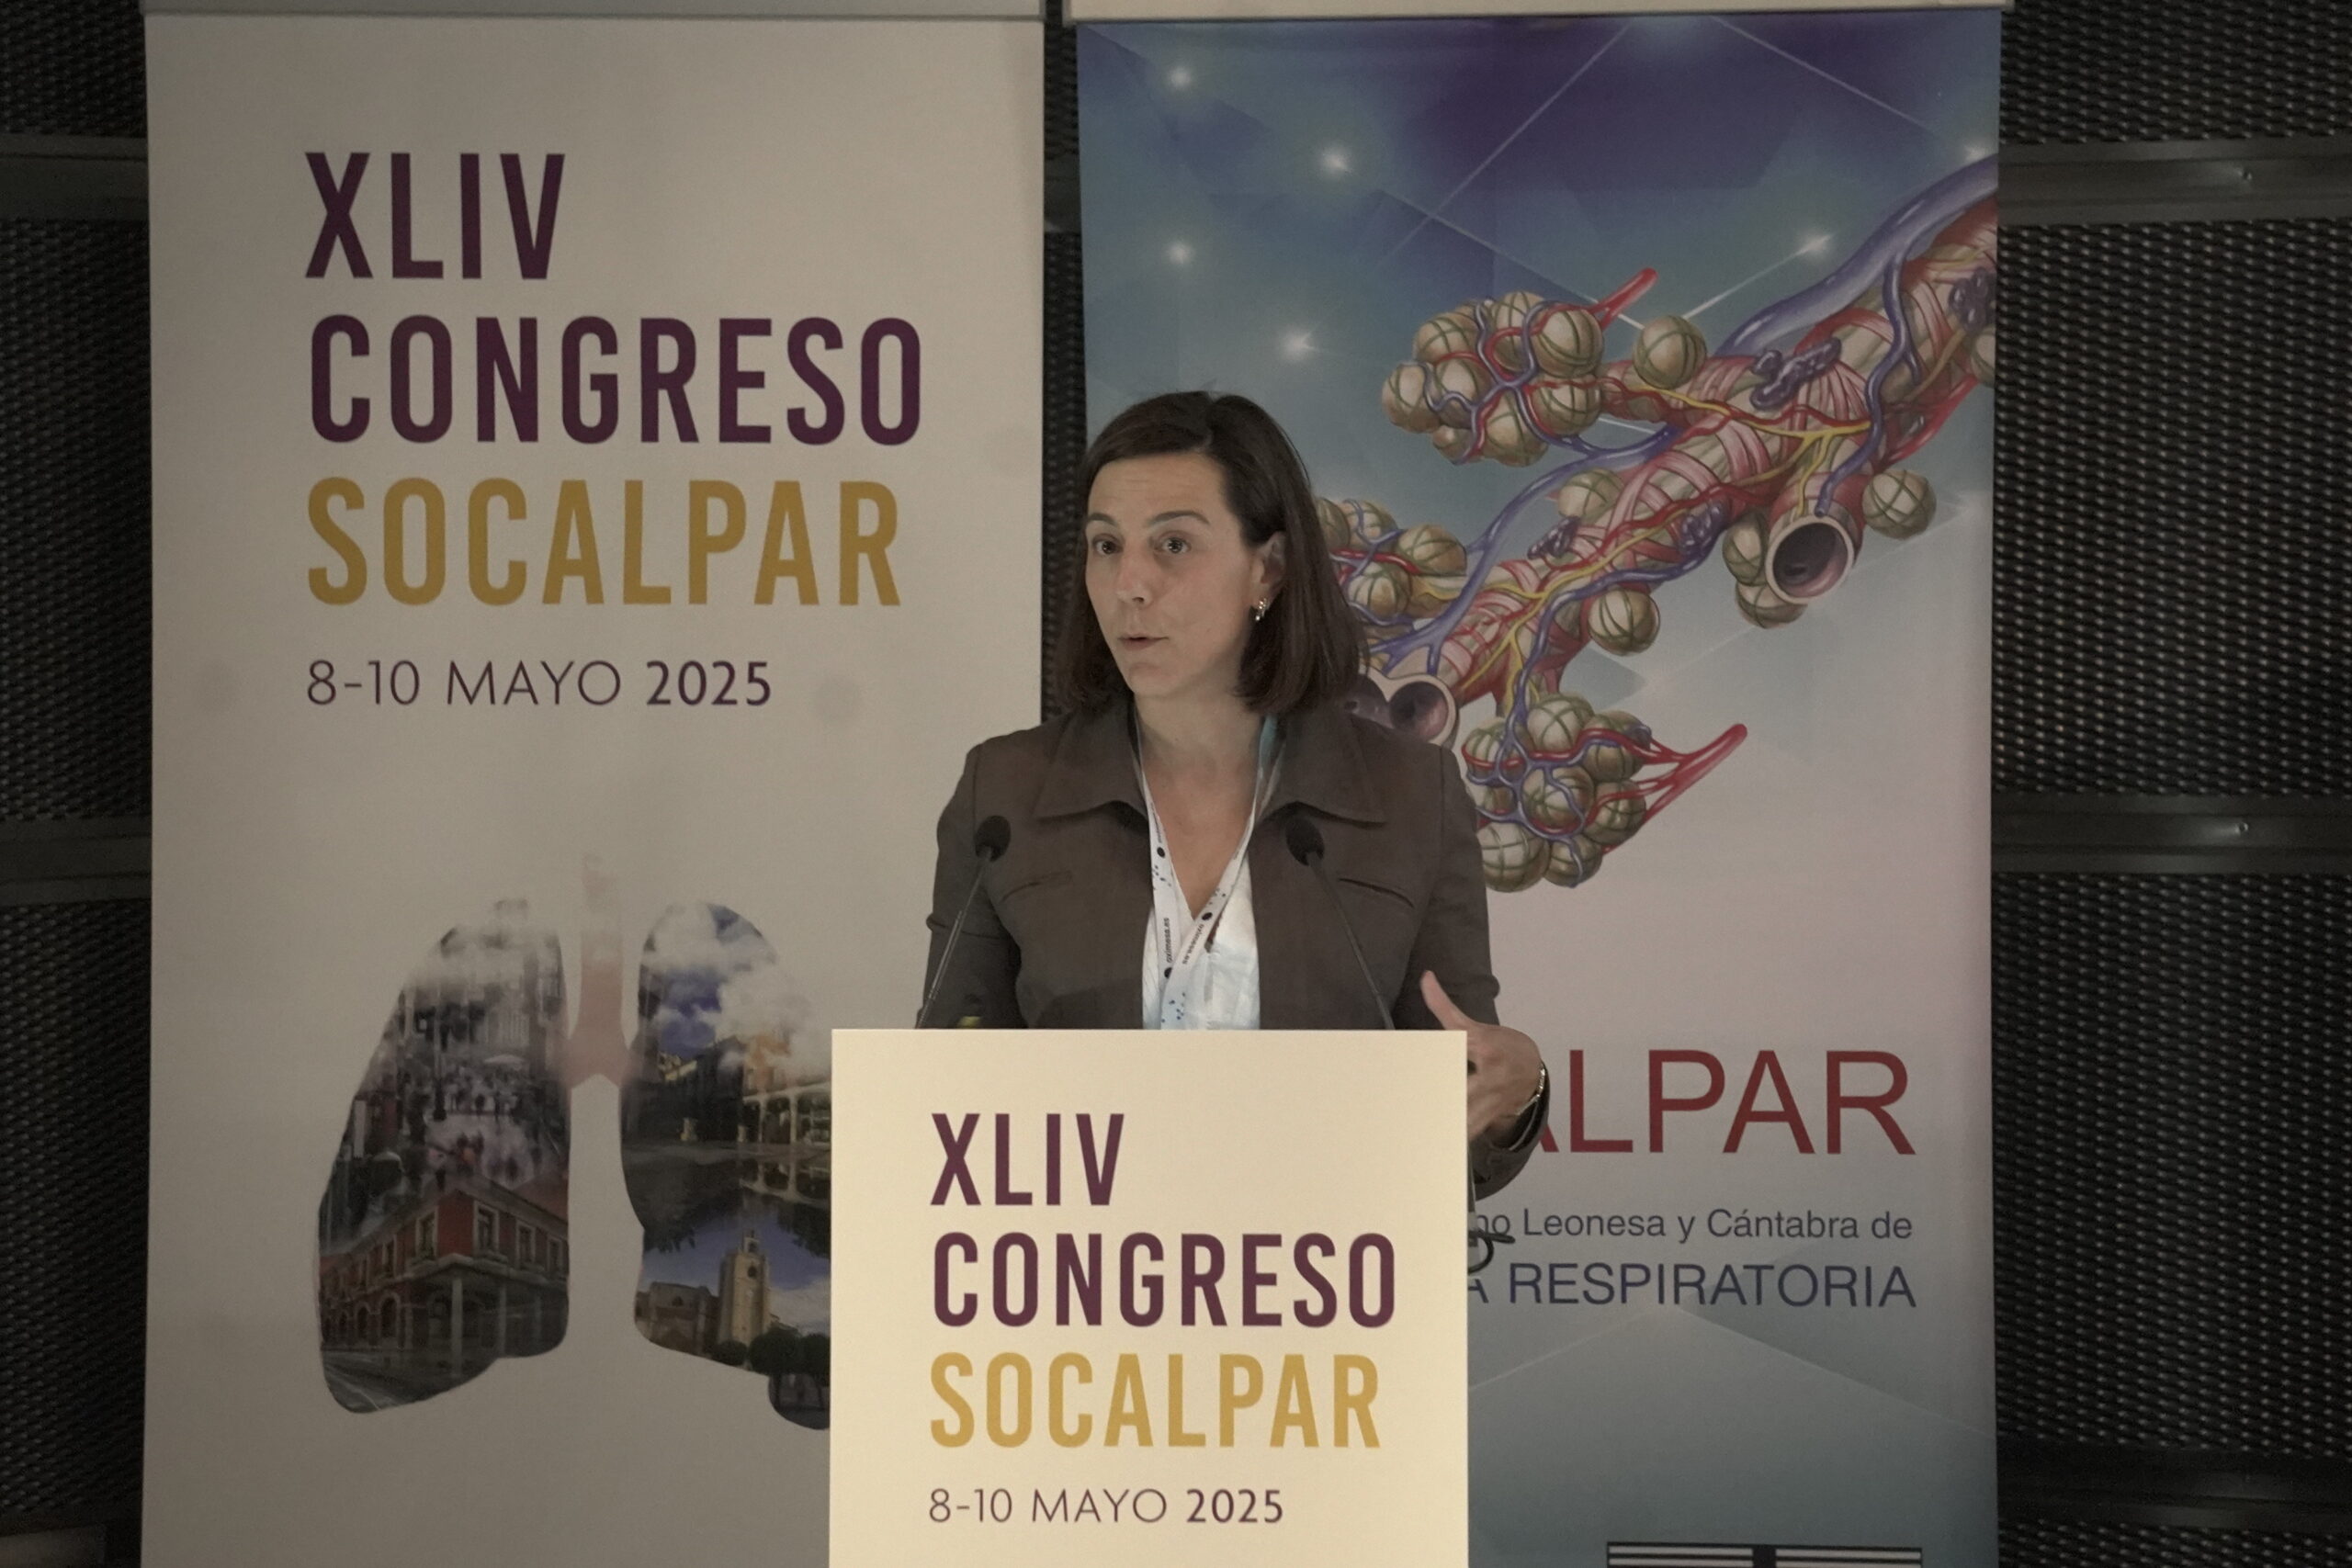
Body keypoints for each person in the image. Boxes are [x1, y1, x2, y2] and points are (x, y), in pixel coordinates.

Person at [922, 391, 1549, 1196]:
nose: (1129, 584)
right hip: (1073, 1266)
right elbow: (947, 1090)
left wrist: (1513, 1093)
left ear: (1269, 569)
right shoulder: (1006, 794)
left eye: (1173, 544)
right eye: (1106, 545)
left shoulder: (1407, 795)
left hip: (1322, 1260)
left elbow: (1456, 1111)